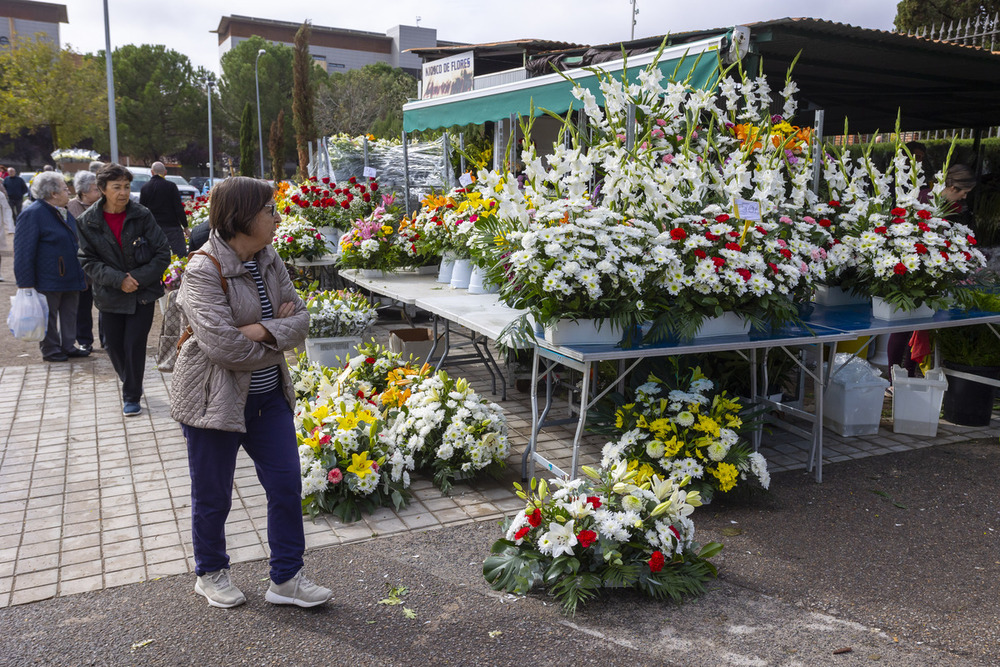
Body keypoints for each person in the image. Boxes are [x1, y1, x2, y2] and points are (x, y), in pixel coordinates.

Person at [170, 176, 332, 610]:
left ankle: (286, 579)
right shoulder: (203, 269)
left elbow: (300, 320)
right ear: (241, 216)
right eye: (268, 210)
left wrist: (259, 330)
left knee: (285, 486)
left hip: (268, 398)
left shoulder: (268, 257)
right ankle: (210, 572)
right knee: (213, 494)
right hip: (214, 401)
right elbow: (224, 347)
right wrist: (273, 333)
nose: (277, 217)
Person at [77, 163, 170, 416]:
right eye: (117, 187)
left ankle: (131, 394)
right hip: (110, 295)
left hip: (142, 293)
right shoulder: (87, 222)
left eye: (127, 187)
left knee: (134, 345)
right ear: (102, 189)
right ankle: (129, 379)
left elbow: (163, 253)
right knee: (114, 346)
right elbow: (88, 260)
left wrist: (135, 278)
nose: (123, 192)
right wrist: (119, 280)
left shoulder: (142, 215)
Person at [12, 171, 89, 362]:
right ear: (53, 193)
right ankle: (51, 349)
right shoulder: (33, 214)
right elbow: (23, 251)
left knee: (70, 312)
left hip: (70, 275)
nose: (68, 191)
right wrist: (25, 283)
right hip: (48, 276)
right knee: (49, 315)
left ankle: (68, 346)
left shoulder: (62, 210)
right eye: (64, 188)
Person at [67, 171, 104, 352]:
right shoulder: (70, 207)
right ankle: (84, 340)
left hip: (102, 263)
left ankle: (107, 339)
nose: (99, 192)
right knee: (83, 305)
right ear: (82, 192)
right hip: (81, 265)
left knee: (105, 304)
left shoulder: (102, 206)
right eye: (95, 189)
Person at [140, 161, 188, 258]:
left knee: (155, 257)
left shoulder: (145, 188)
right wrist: (185, 226)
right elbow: (178, 208)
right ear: (165, 172)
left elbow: (142, 210)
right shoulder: (171, 186)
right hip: (172, 227)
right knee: (180, 256)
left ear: (152, 172)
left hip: (153, 228)